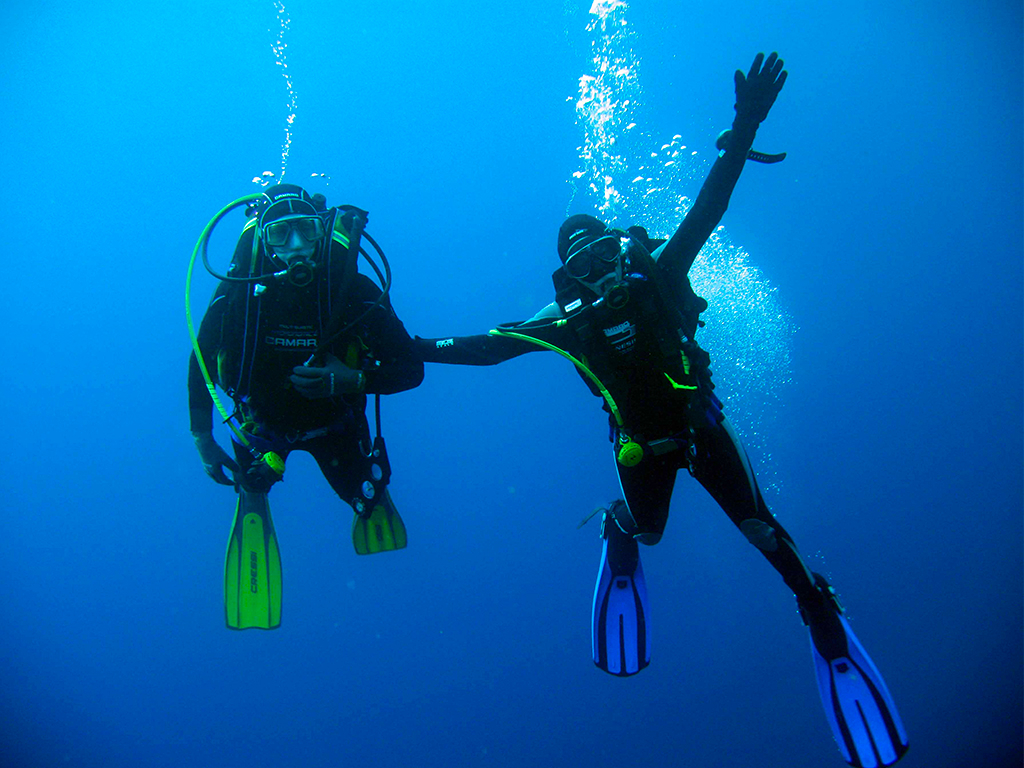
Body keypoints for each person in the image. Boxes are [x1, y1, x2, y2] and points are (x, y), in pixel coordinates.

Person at [413, 54, 908, 768]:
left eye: (602, 255)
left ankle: (816, 607)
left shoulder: (660, 274)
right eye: (579, 267)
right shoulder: (566, 324)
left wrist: (743, 127)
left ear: (623, 250)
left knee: (764, 530)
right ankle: (619, 527)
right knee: (647, 535)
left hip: (699, 429)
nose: (597, 273)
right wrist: (411, 348)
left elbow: (710, 207)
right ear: (566, 278)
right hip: (638, 446)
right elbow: (494, 347)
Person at [187, 183, 423, 630]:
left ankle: (358, 493)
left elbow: (410, 369)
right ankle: (256, 490)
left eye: (306, 231)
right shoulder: (240, 292)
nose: (295, 246)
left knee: (362, 497)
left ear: (321, 231)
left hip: (337, 423)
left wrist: (352, 379)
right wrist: (202, 437)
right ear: (263, 240)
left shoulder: (349, 289)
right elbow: (200, 360)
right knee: (254, 479)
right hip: (260, 428)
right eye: (280, 234)